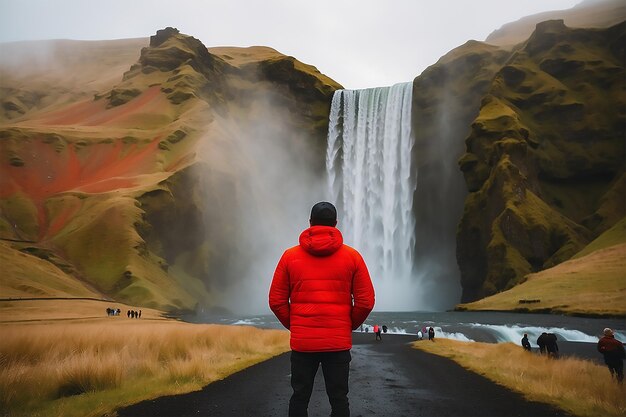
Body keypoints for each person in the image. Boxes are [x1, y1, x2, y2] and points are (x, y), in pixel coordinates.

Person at [269, 201, 375, 417]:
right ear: (335, 224)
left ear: (310, 223)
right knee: (339, 399)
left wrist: (297, 325)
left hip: (303, 344)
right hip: (337, 343)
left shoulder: (289, 256)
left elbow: (276, 301)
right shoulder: (353, 257)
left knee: (299, 397)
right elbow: (365, 301)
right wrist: (347, 324)